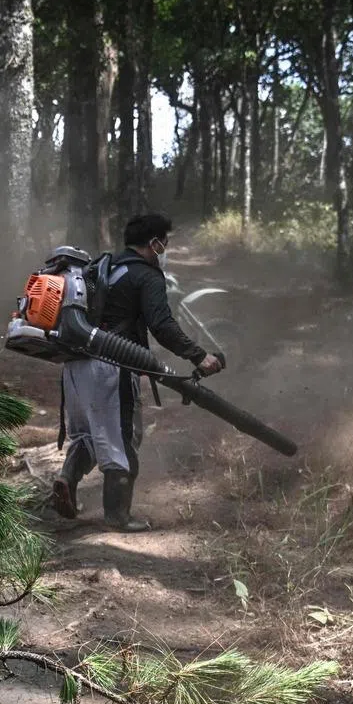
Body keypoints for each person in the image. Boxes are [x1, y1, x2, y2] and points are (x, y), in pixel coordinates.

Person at [52, 212, 224, 531]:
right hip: (112, 366)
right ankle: (118, 516)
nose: (166, 248)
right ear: (154, 243)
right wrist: (198, 356)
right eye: (165, 243)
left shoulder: (102, 267)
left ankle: (66, 478)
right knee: (123, 436)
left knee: (88, 433)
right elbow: (162, 325)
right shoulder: (146, 275)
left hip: (74, 366)